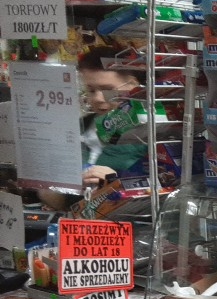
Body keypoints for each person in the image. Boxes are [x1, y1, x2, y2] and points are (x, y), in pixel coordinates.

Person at [38, 46, 145, 211]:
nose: (98, 98)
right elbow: (60, 202)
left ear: (133, 85)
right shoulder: (77, 129)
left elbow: (167, 190)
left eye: (108, 89)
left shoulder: (157, 132)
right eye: (91, 90)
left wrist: (118, 183)